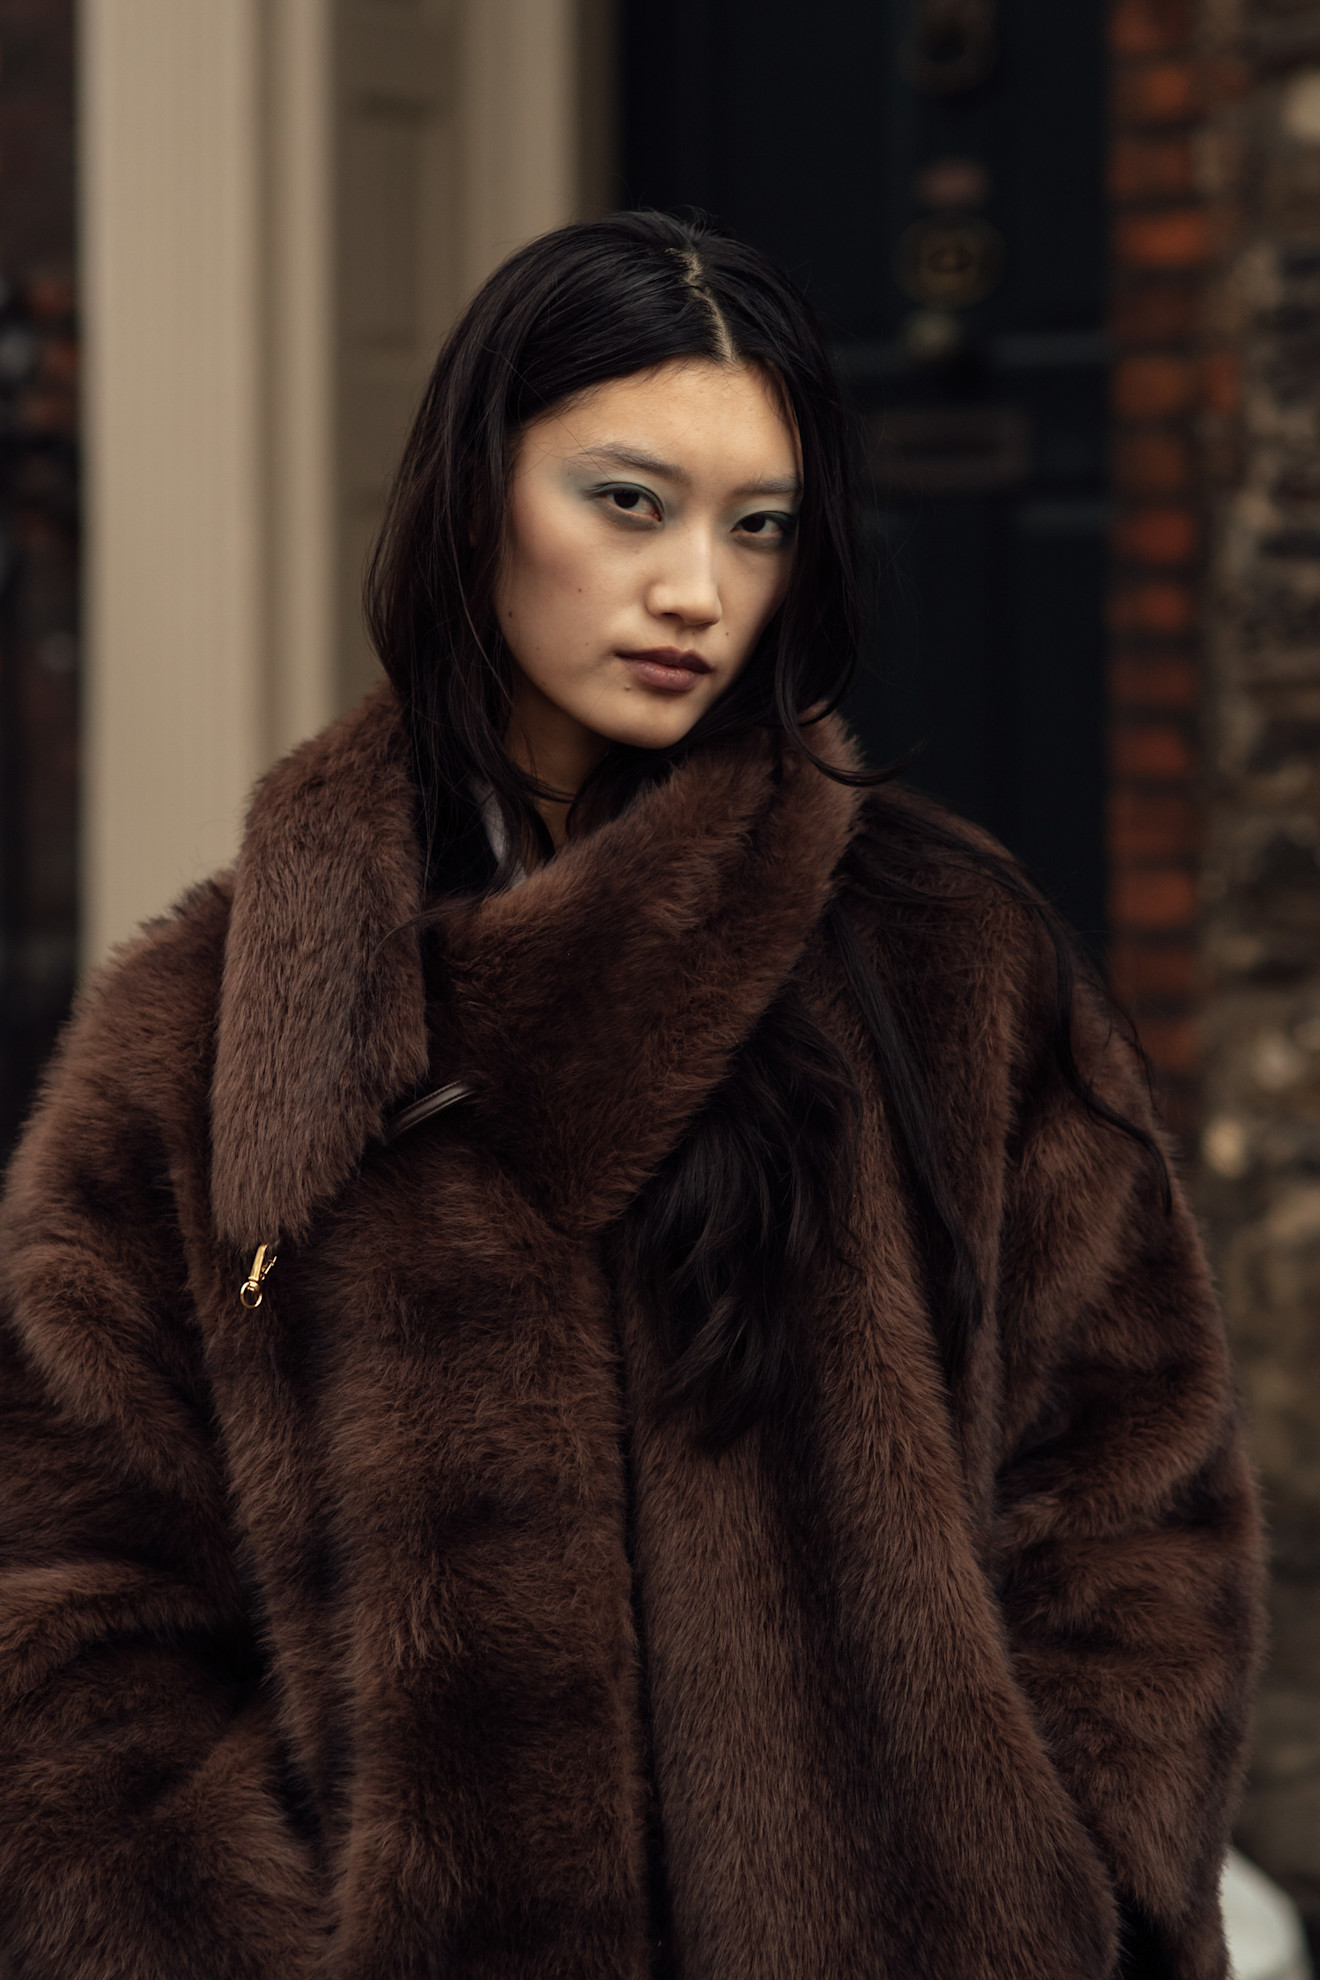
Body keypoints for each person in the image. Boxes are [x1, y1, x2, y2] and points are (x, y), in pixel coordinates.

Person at [0, 211, 1263, 1980]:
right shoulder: (211, 1039)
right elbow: (69, 1608)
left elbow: (1137, 1492)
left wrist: (1078, 1890)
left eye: (758, 529)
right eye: (626, 502)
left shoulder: (944, 963)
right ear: (472, 501)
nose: (698, 592)